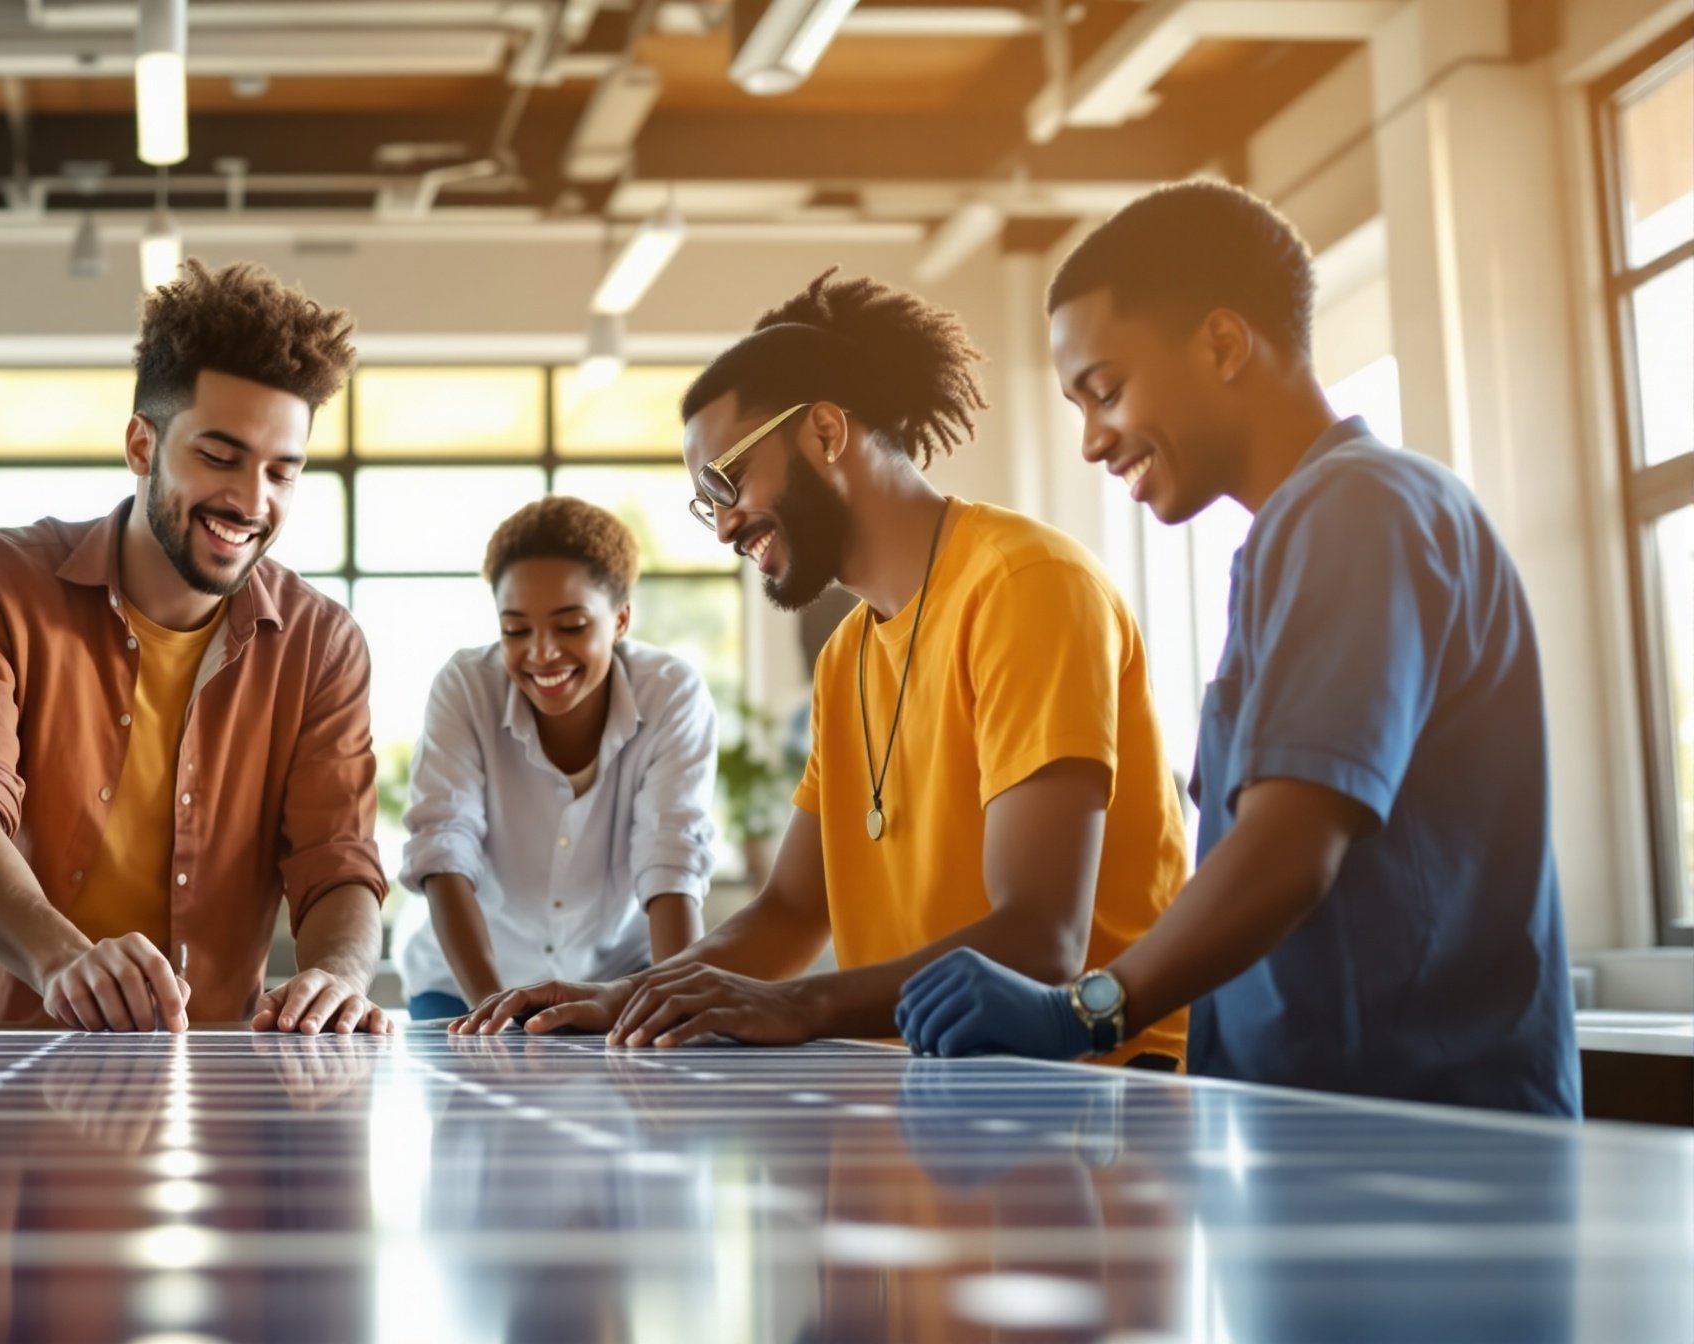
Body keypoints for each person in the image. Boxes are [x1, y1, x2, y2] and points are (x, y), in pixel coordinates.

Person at [898, 182, 1580, 1117]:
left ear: (1222, 343)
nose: (1093, 440)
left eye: (1105, 391)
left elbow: (1291, 842)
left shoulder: (1359, 512)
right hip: (1318, 1123)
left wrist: (1087, 1007)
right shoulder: (1296, 535)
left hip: (1421, 1129)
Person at [459, 271, 1190, 1070]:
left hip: (1100, 1097)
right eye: (707, 503)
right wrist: (618, 998)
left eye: (725, 482)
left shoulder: (1026, 585)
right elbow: (789, 911)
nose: (724, 525)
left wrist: (799, 1004)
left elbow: (1039, 940)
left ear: (825, 433)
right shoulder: (848, 655)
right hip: (946, 1084)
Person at [0, 258, 389, 1034]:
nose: (251, 501)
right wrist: (61, 958)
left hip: (211, 1076)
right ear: (141, 444)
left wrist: (337, 976)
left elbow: (338, 858)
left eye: (281, 473)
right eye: (220, 457)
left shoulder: (323, 644)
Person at [395, 496, 716, 1020]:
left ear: (620, 620)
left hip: (615, 981)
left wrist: (672, 1011)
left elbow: (671, 860)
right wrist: (492, 1013)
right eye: (515, 630)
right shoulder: (466, 688)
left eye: (570, 626)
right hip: (461, 983)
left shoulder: (671, 695)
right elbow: (444, 848)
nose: (541, 652)